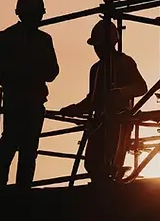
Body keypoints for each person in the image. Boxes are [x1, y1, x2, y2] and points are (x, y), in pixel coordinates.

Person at [0, 0, 60, 190]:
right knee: (12, 142)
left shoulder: (42, 40)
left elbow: (52, 72)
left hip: (31, 100)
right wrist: (14, 70)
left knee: (25, 147)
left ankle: (20, 187)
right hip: (18, 99)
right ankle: (1, 184)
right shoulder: (12, 36)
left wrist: (28, 70)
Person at [59, 19, 148, 184]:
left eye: (100, 46)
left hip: (120, 120)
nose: (97, 50)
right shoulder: (96, 69)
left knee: (112, 161)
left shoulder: (124, 62)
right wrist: (74, 109)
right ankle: (100, 187)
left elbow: (141, 87)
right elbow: (92, 99)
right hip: (100, 121)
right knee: (92, 162)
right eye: (96, 46)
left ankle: (111, 186)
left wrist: (120, 93)